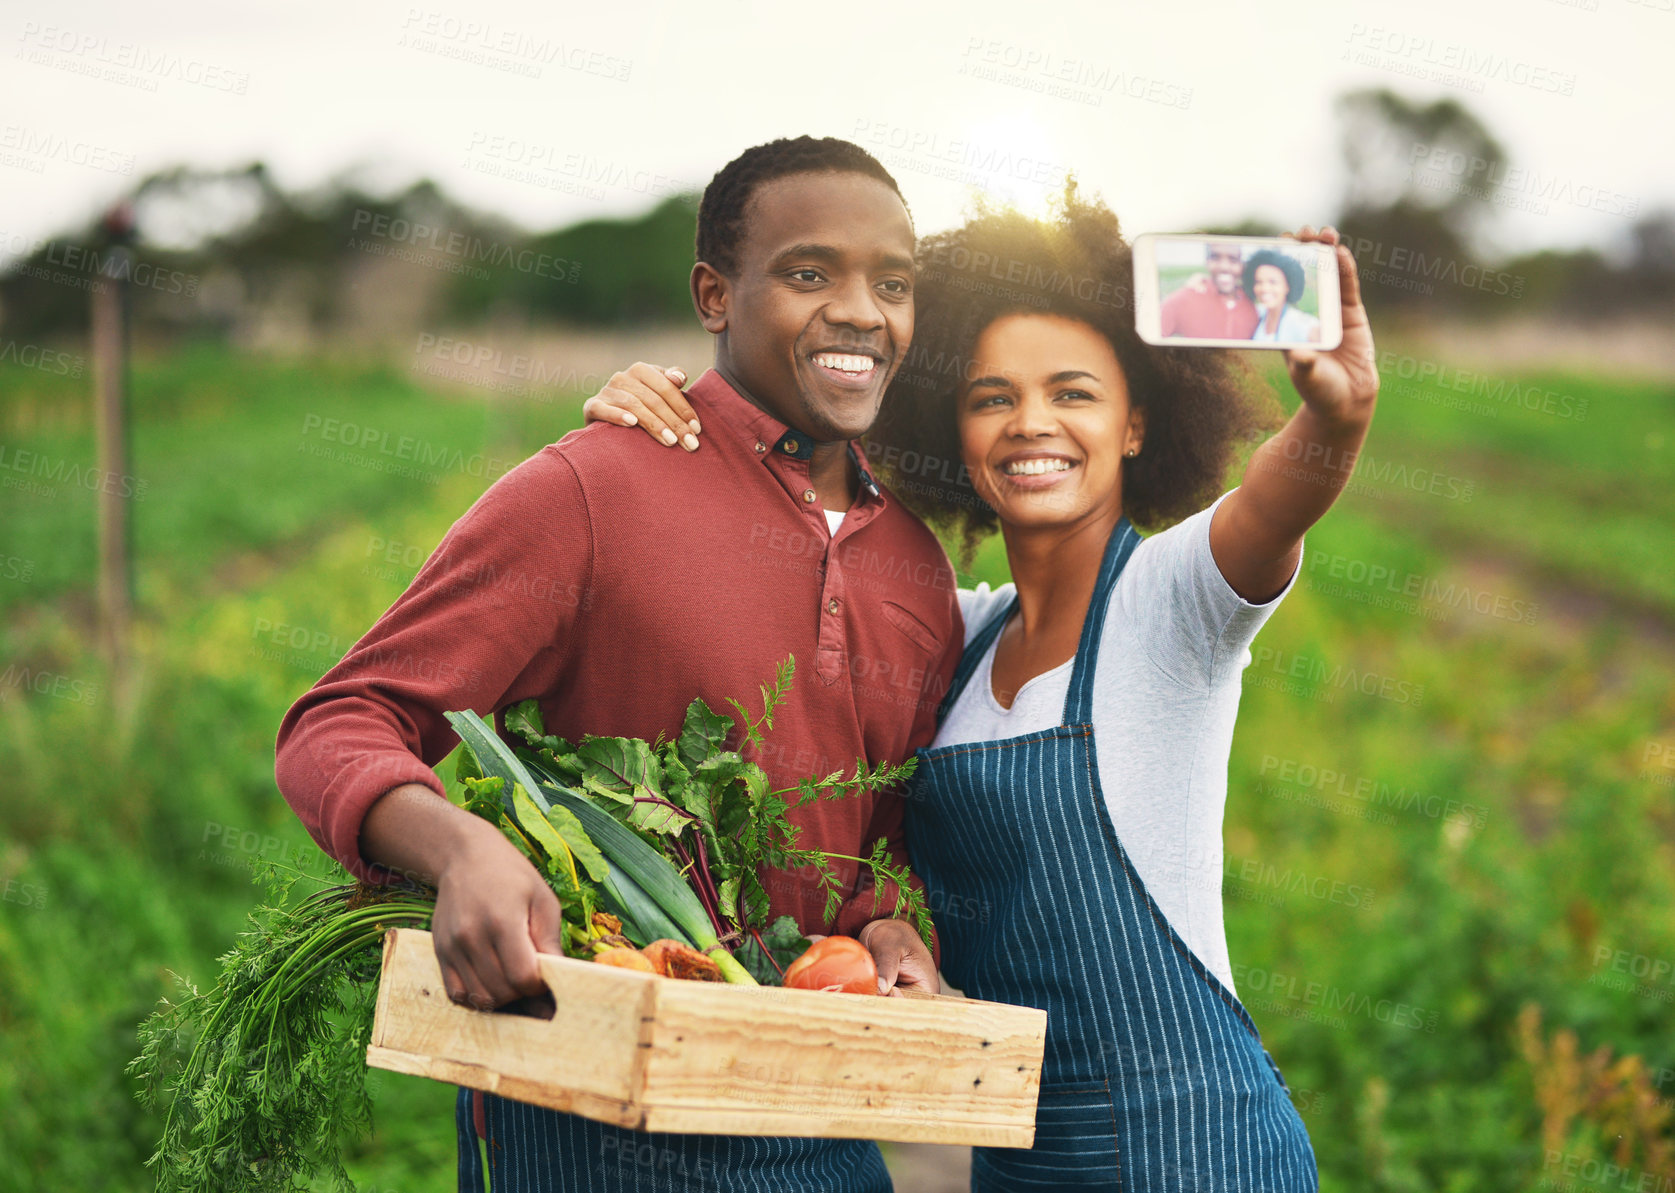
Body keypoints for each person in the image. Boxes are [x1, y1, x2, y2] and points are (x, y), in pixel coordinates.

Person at [584, 191, 1380, 1191]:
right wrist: (664, 423)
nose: (1029, 423)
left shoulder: (1171, 602)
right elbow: (752, 566)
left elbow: (1277, 503)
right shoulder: (948, 630)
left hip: (1198, 1147)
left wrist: (1333, 417)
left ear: (1134, 425)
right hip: (1014, 1151)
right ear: (951, 431)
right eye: (991, 396)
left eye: (1072, 393)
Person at [274, 136, 964, 1193]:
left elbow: (878, 840)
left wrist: (885, 919)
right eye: (809, 273)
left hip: (822, 1118)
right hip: (587, 1108)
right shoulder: (591, 491)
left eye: (894, 282)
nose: (863, 311)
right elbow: (341, 720)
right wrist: (458, 849)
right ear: (713, 294)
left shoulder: (916, 567)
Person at [1159, 238, 1258, 338]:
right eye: (1215, 258)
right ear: (1207, 262)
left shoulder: (1252, 306)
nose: (1224, 267)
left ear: (1242, 265)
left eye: (1233, 259)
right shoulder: (1182, 300)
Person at [1247, 247, 1322, 343]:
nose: (1264, 288)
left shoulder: (1301, 323)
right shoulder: (1257, 313)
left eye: (1273, 282)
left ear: (1287, 286)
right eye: (1259, 282)